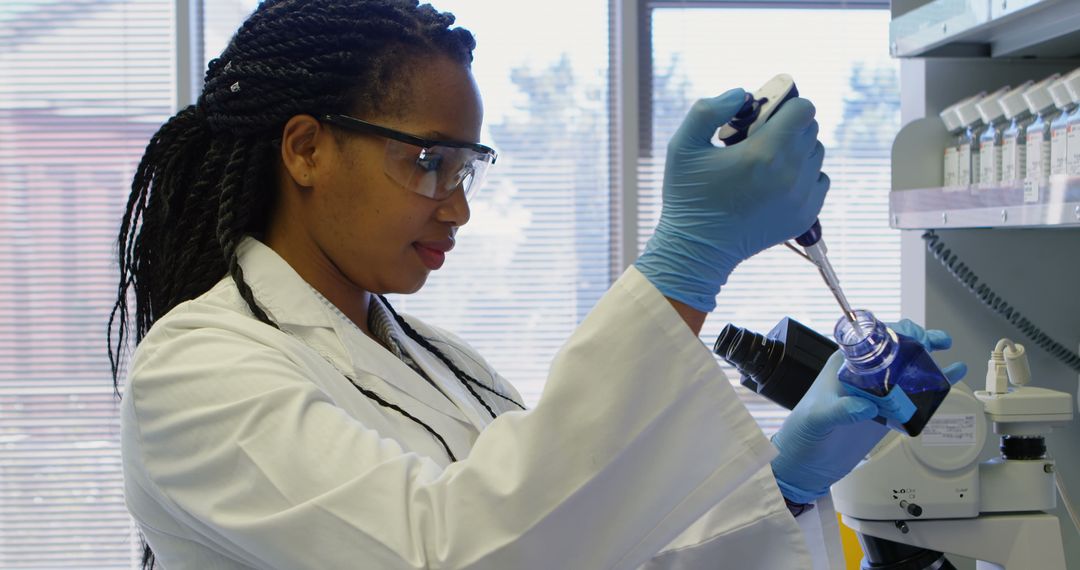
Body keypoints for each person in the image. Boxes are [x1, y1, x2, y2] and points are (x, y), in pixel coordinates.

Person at [109, 1, 966, 568]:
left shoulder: (442, 363)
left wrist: (786, 480)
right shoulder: (195, 375)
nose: (456, 209)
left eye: (465, 168)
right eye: (427, 162)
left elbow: (581, 543)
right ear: (304, 149)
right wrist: (687, 263)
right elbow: (449, 553)